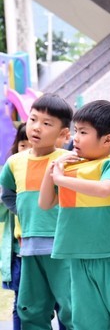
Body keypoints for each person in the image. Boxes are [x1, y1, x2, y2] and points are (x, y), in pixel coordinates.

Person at [38, 100, 110, 330]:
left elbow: (103, 190)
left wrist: (61, 179)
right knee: (87, 324)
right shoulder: (68, 167)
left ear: (107, 140)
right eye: (75, 131)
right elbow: (45, 203)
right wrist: (52, 172)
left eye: (83, 132)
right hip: (79, 257)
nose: (76, 138)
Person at [0, 94, 74, 330]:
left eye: (47, 123)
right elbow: (8, 195)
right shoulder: (14, 162)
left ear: (63, 135)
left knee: (71, 307)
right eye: (33, 119)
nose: (36, 127)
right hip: (29, 248)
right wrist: (24, 213)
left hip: (63, 247)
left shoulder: (68, 160)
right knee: (30, 309)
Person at [1, 122, 30, 330]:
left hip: (50, 251)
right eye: (22, 145)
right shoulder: (11, 173)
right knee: (22, 303)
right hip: (20, 252)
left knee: (60, 302)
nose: (27, 151)